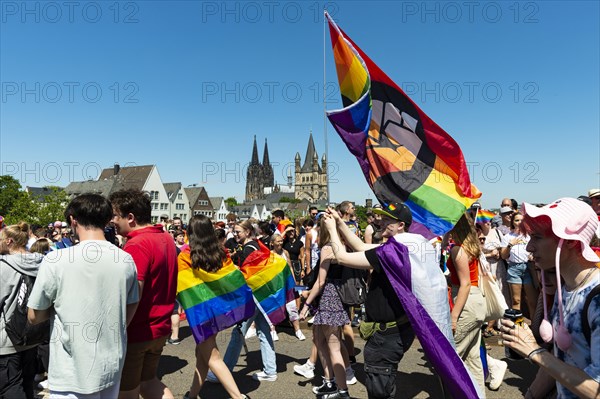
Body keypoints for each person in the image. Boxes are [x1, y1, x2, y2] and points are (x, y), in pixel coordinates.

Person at [319, 204, 457, 399]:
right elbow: (360, 246)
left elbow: (341, 257)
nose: (380, 221)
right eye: (381, 217)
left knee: (380, 390)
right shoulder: (405, 246)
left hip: (387, 337)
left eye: (387, 220)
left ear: (400, 225)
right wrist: (340, 222)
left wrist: (332, 229)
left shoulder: (392, 253)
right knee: (383, 382)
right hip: (397, 331)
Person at [27, 194, 139, 397]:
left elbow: (34, 315)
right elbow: (130, 307)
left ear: (72, 220)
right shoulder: (125, 259)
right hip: (111, 364)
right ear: (107, 220)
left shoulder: (56, 260)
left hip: (71, 369)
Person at [501, 198, 600, 399]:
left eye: (536, 237)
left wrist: (534, 351)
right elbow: (558, 359)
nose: (529, 247)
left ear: (571, 241)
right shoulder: (564, 290)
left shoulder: (597, 300)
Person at [109, 189, 178, 399]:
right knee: (148, 383)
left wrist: (119, 329)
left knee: (126, 392)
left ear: (130, 217)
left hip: (138, 330)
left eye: (115, 215)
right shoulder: (165, 236)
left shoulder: (137, 244)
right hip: (159, 327)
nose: (112, 221)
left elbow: (133, 293)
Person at [178, 215, 248, 399]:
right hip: (217, 310)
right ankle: (192, 395)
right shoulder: (221, 253)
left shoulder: (186, 256)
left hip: (201, 313)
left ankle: (238, 397)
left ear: (190, 233)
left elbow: (183, 286)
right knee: (203, 354)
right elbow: (233, 277)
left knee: (212, 357)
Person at [300, 218, 350, 399]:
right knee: (320, 341)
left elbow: (321, 281)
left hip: (329, 298)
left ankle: (342, 390)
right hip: (337, 298)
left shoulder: (328, 248)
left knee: (333, 346)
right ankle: (329, 382)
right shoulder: (343, 246)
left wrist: (305, 305)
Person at [1, 222, 44, 398]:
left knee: (9, 386)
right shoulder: (42, 262)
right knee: (27, 384)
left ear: (9, 241)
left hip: (8, 340)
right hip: (33, 333)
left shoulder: (4, 267)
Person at [446, 213, 487, 395]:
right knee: (473, 358)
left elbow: (465, 284)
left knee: (450, 358)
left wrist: (454, 316)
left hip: (465, 302)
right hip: (476, 300)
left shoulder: (458, 249)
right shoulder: (472, 245)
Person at [501, 211, 538, 317]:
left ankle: (534, 328)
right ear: (513, 222)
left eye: (522, 220)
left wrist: (533, 255)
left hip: (528, 268)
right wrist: (509, 245)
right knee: (516, 301)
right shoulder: (507, 237)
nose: (520, 222)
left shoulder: (530, 236)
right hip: (514, 268)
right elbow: (503, 256)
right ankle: (517, 326)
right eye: (517, 220)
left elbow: (537, 250)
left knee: (532, 301)